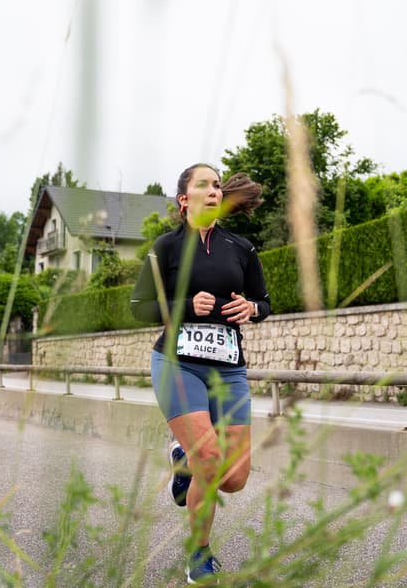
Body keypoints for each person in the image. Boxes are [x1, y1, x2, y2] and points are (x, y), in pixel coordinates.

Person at [130, 163, 270, 584]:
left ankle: (182, 460)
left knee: (234, 479)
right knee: (209, 459)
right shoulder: (167, 247)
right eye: (203, 185)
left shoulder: (241, 248)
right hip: (178, 364)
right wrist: (187, 306)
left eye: (218, 185)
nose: (214, 191)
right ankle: (199, 554)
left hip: (229, 370)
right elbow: (140, 307)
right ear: (184, 199)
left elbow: (264, 301)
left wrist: (252, 309)